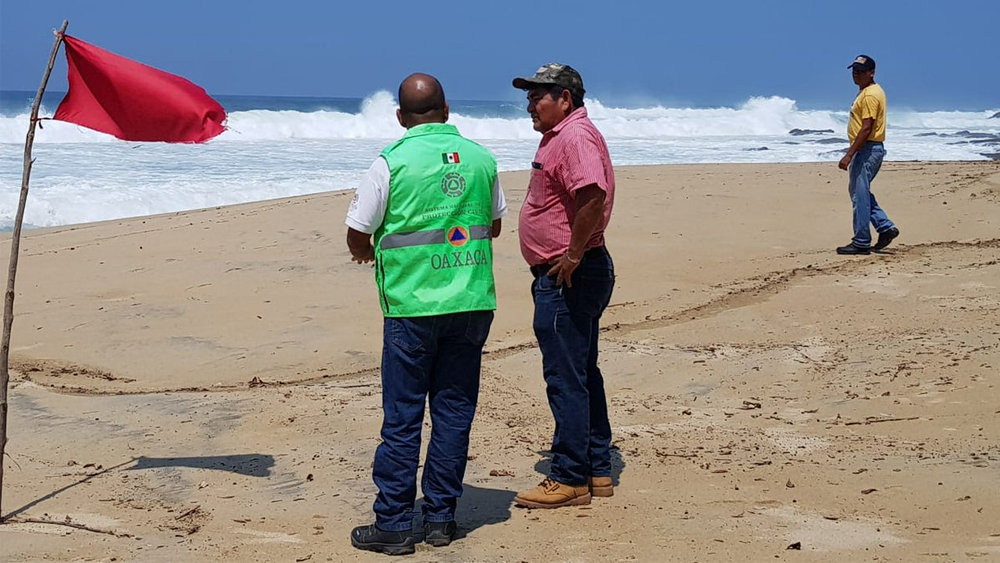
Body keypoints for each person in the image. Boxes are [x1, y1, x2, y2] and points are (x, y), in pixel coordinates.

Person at [345, 73, 507, 554]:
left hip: (412, 306)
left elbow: (358, 231)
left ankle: (395, 523)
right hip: (471, 302)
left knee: (403, 418)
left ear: (400, 117)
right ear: (447, 109)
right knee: (454, 413)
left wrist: (365, 252)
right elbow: (495, 225)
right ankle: (440, 518)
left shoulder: (391, 162)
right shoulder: (480, 158)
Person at [509, 63, 617, 509]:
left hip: (569, 274)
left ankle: (570, 477)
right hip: (574, 270)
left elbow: (592, 195)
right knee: (581, 370)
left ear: (565, 99)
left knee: (565, 377)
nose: (530, 105)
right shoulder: (563, 135)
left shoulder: (573, 137)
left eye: (538, 97)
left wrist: (572, 255)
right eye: (529, 97)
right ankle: (596, 468)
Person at [837, 54, 899, 255]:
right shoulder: (869, 91)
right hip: (870, 148)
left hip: (867, 149)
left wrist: (849, 155)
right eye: (854, 71)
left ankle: (861, 241)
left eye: (861, 72)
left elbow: (866, 128)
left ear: (871, 73)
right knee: (860, 193)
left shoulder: (870, 95)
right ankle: (885, 227)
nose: (856, 75)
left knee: (859, 196)